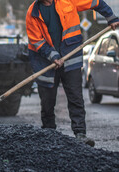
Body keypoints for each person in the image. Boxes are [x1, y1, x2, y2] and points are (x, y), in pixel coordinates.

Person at [26, 0, 119, 147]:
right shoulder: (33, 13)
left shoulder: (68, 1)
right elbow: (36, 41)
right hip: (45, 62)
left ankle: (80, 133)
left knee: (76, 97)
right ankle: (50, 135)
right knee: (47, 101)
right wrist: (53, 56)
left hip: (70, 55)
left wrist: (111, 17)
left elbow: (95, 2)